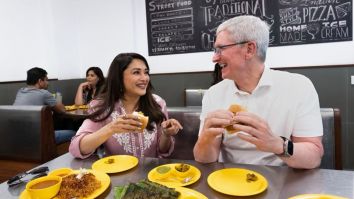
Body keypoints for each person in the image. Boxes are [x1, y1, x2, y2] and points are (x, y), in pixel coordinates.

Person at [193, 15, 324, 169]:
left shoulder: (299, 86)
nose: (215, 58)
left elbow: (314, 157)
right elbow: (203, 159)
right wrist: (206, 138)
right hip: (227, 181)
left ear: (249, 49)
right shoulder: (213, 94)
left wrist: (278, 145)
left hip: (282, 182)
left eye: (221, 48)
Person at [69, 53, 183, 159]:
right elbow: (75, 147)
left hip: (151, 175)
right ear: (119, 77)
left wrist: (166, 134)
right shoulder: (101, 106)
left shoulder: (158, 103)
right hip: (117, 177)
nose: (144, 78)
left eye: (146, 72)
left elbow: (163, 150)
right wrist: (111, 128)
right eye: (136, 72)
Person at [13, 67, 75, 144]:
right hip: (38, 138)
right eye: (46, 80)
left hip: (17, 137)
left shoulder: (20, 91)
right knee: (74, 133)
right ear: (40, 81)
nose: (48, 83)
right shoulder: (44, 93)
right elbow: (62, 110)